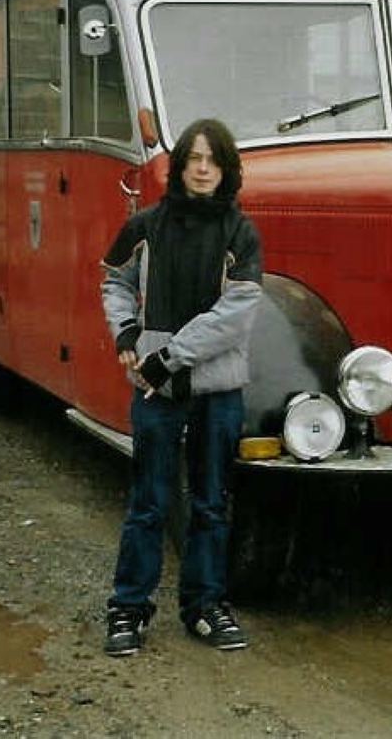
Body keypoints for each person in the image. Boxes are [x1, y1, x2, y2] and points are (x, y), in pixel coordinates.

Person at [99, 118, 263, 656]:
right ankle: (128, 609)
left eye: (212, 160)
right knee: (148, 501)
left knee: (212, 503)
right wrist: (125, 330)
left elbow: (235, 314)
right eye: (193, 158)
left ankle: (205, 606)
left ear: (226, 169)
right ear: (179, 166)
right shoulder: (145, 225)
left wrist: (167, 358)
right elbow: (113, 280)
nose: (201, 168)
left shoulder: (242, 234)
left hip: (212, 388)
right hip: (156, 391)